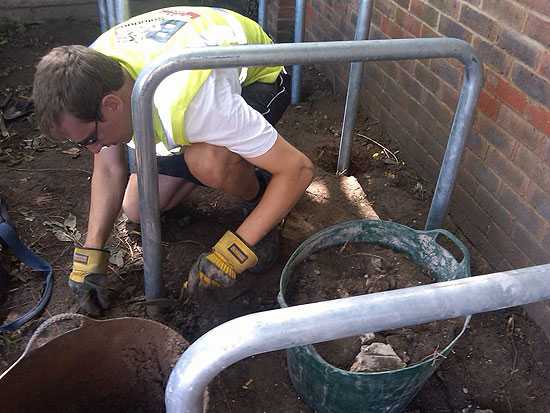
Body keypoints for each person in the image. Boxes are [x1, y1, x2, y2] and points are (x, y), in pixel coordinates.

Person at [32, 6, 314, 315]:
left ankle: (259, 199)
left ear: (111, 105)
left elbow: (298, 169)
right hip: (184, 68)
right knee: (137, 208)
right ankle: (202, 165)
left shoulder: (195, 102)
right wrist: (91, 254)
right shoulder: (93, 72)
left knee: (209, 161)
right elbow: (110, 167)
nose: (94, 150)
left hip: (259, 76)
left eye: (90, 139)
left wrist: (235, 252)